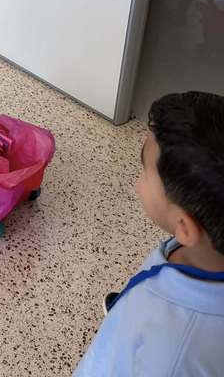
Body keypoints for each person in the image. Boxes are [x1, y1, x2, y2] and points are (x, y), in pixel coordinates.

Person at [74, 91, 224, 376]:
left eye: (144, 172)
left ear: (185, 227)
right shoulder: (203, 247)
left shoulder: (173, 355)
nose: (138, 182)